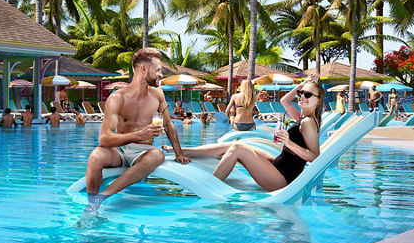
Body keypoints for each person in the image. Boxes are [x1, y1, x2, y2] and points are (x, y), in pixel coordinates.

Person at [83, 47, 188, 213]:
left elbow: (168, 125)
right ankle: (90, 205)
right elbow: (104, 139)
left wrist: (179, 154)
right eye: (158, 70)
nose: (161, 75)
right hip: (120, 150)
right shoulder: (117, 98)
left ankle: (101, 197)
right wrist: (138, 134)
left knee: (157, 155)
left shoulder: (157, 94)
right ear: (144, 69)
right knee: (95, 156)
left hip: (144, 152)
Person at [181, 79, 324, 190]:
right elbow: (284, 100)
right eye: (301, 93)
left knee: (237, 148)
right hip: (279, 166)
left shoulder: (308, 122)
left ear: (318, 101)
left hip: (282, 178)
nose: (302, 96)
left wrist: (289, 142)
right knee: (236, 144)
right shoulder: (302, 117)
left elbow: (315, 157)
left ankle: (209, 188)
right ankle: (185, 151)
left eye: (308, 94)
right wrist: (304, 84)